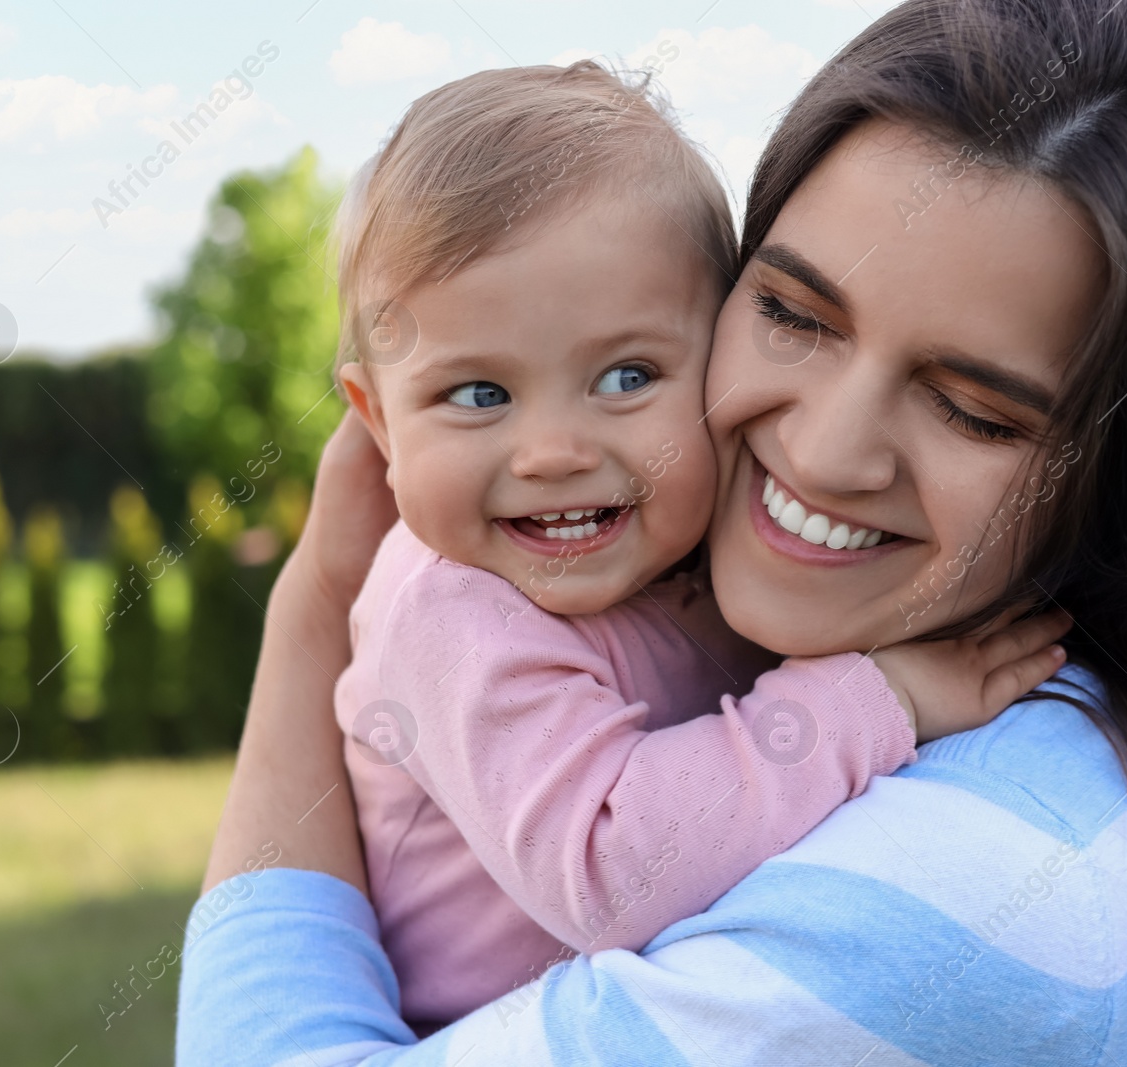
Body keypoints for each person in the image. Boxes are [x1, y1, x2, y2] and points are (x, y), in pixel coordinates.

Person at [178, 0, 1127, 1063]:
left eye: (972, 407)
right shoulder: (1108, 756)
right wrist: (325, 599)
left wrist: (310, 610)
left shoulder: (966, 904)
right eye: (795, 314)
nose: (817, 452)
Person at [327, 61, 1070, 1027]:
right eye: (478, 395)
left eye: (628, 375)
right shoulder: (449, 609)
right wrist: (881, 698)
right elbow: (608, 871)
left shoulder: (691, 560)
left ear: (715, 343)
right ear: (378, 421)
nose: (554, 453)